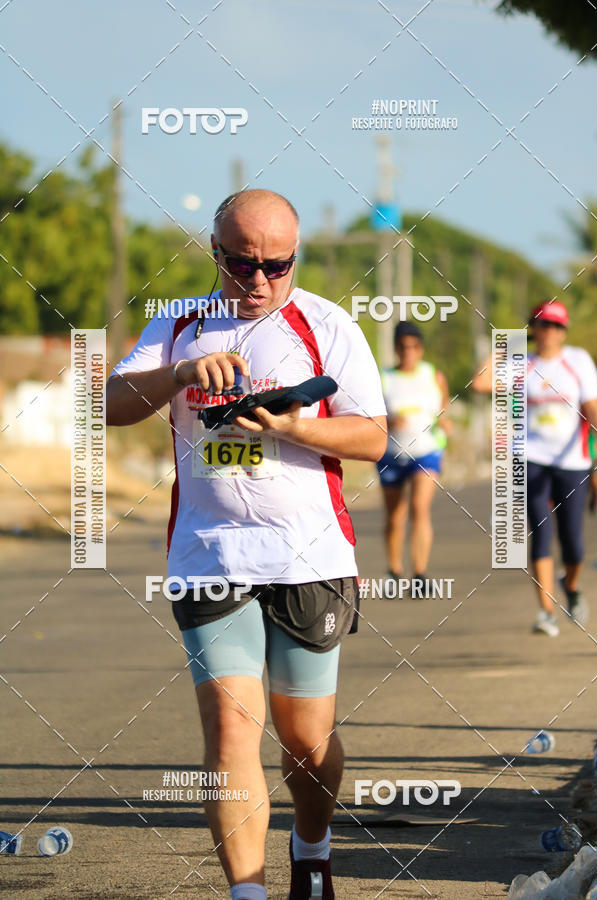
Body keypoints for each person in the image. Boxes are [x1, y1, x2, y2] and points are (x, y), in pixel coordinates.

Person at [106, 189, 387, 900]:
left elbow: (374, 437)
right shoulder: (179, 323)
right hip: (210, 556)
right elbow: (106, 405)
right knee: (232, 736)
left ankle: (314, 851)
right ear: (214, 252)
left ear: (297, 258)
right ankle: (248, 893)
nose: (259, 280)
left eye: (277, 265)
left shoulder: (326, 323)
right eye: (241, 264)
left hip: (309, 558)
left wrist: (290, 428)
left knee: (305, 743)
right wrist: (177, 375)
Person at [472, 300, 597, 636]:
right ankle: (546, 613)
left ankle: (570, 586)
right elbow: (481, 383)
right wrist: (507, 345)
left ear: (564, 331)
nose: (549, 332)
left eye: (556, 326)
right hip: (530, 458)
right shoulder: (522, 364)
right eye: (543, 325)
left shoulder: (577, 361)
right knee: (540, 533)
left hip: (572, 461)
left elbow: (591, 407)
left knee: (573, 544)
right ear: (534, 329)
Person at [376, 321, 451, 594]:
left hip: (426, 452)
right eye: (402, 346)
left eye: (414, 346)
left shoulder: (434, 376)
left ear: (421, 349)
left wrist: (446, 422)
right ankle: (395, 571)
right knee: (395, 515)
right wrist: (388, 421)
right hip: (391, 454)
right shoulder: (382, 377)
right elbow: (370, 416)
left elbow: (444, 408)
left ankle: (419, 575)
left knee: (420, 508)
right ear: (395, 348)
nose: (408, 351)